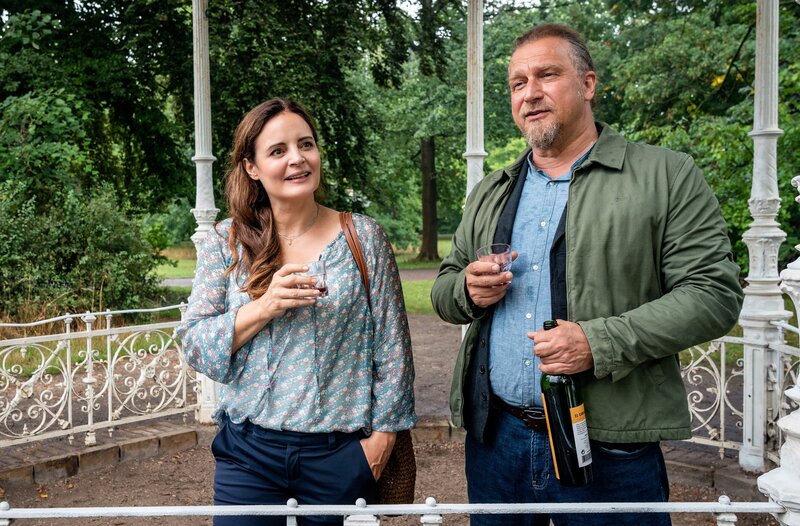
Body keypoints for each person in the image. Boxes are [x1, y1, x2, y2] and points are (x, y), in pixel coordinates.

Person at [431, 23, 743, 526]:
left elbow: (714, 295)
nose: (530, 93)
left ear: (588, 84)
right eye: (517, 83)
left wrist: (597, 343)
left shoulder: (666, 174)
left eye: (547, 75)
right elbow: (445, 288)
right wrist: (467, 288)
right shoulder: (492, 189)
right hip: (497, 443)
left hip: (611, 449)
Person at [177, 98, 415, 526]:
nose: (297, 158)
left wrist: (380, 444)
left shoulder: (362, 237)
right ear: (251, 167)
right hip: (248, 454)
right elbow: (195, 344)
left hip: (339, 454)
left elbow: (393, 350)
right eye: (278, 150)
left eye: (306, 144)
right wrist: (265, 306)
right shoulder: (227, 242)